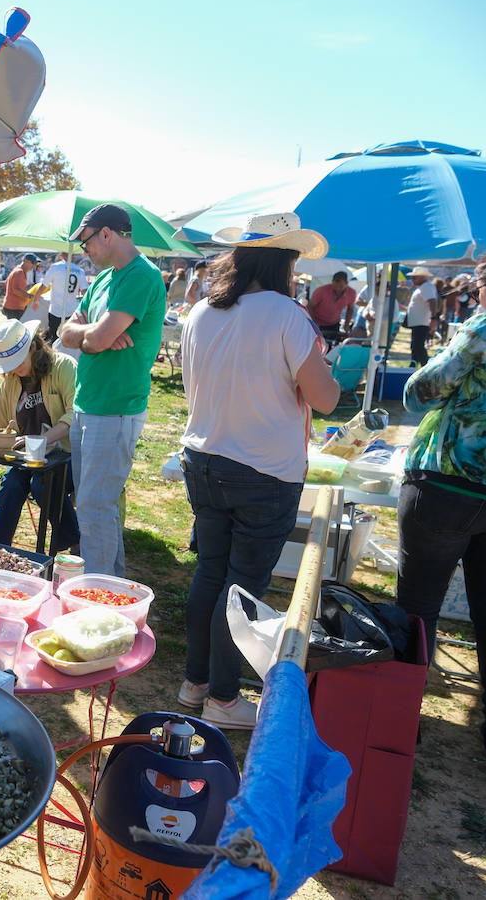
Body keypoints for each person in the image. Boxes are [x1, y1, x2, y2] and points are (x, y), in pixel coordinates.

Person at [177, 212, 341, 730]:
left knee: (211, 574)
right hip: (264, 471)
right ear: (285, 263)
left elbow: (193, 390)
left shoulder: (202, 311)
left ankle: (196, 681)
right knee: (241, 587)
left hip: (204, 459)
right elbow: (327, 399)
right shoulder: (287, 316)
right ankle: (223, 699)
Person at [395, 240, 486, 760]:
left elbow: (420, 393)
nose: (477, 297)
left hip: (449, 484)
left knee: (418, 606)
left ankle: (403, 719)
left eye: (479, 288)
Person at [58, 203, 166, 576]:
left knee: (94, 506)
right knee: (95, 505)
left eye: (85, 241)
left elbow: (95, 337)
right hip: (88, 403)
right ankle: (110, 589)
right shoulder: (105, 279)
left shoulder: (141, 276)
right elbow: (66, 333)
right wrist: (95, 334)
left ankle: (95, 600)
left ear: (106, 234)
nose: (84, 251)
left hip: (116, 409)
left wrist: (96, 334)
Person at [0, 320, 80, 552]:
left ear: (34, 348)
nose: (14, 369)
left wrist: (43, 440)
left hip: (67, 456)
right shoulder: (10, 384)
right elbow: (0, 427)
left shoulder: (64, 367)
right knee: (11, 485)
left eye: (18, 361)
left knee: (42, 483)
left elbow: (74, 415)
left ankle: (73, 540)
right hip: (27, 459)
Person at [306, 270, 358, 345]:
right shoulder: (321, 291)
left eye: (341, 286)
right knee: (315, 345)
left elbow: (350, 309)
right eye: (335, 286)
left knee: (331, 346)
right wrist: (314, 323)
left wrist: (346, 326)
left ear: (346, 284)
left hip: (334, 323)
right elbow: (310, 307)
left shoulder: (351, 293)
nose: (337, 289)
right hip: (317, 323)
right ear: (332, 282)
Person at [405, 266, 438, 366]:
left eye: (415, 277)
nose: (412, 280)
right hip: (419, 322)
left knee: (418, 346)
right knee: (416, 347)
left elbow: (432, 301)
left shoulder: (426, 287)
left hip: (421, 322)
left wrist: (433, 318)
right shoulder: (424, 287)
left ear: (423, 277)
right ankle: (412, 367)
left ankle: (426, 368)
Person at [44, 252, 78, 342]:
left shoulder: (55, 267)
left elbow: (44, 285)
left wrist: (35, 299)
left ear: (61, 256)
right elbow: (85, 290)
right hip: (70, 309)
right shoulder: (79, 270)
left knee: (53, 336)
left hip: (56, 309)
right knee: (67, 337)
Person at [2, 253, 39, 320]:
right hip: (14, 308)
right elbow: (16, 290)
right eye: (33, 263)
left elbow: (7, 283)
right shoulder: (19, 272)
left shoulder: (18, 270)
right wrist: (30, 296)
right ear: (25, 261)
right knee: (15, 329)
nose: (34, 266)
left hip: (13, 307)